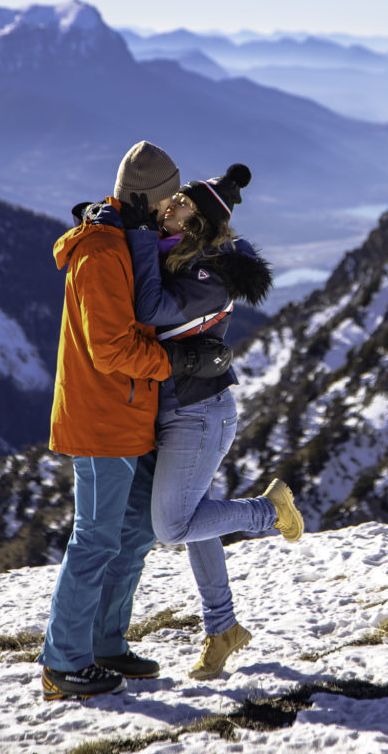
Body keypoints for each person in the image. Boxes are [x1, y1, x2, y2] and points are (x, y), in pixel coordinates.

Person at [40, 141, 233, 701]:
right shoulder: (102, 253)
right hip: (103, 417)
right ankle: (63, 661)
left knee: (136, 531)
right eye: (169, 197)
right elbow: (110, 348)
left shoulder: (124, 237)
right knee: (95, 539)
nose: (174, 205)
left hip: (130, 414)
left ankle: (104, 642)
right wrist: (178, 362)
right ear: (148, 199)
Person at [125, 162, 304, 680]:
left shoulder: (211, 278)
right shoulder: (177, 255)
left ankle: (269, 513)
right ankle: (223, 629)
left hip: (199, 416)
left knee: (173, 525)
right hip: (178, 409)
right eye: (174, 198)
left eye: (183, 203)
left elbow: (150, 306)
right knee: (196, 518)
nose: (171, 206)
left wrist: (136, 236)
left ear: (200, 223)